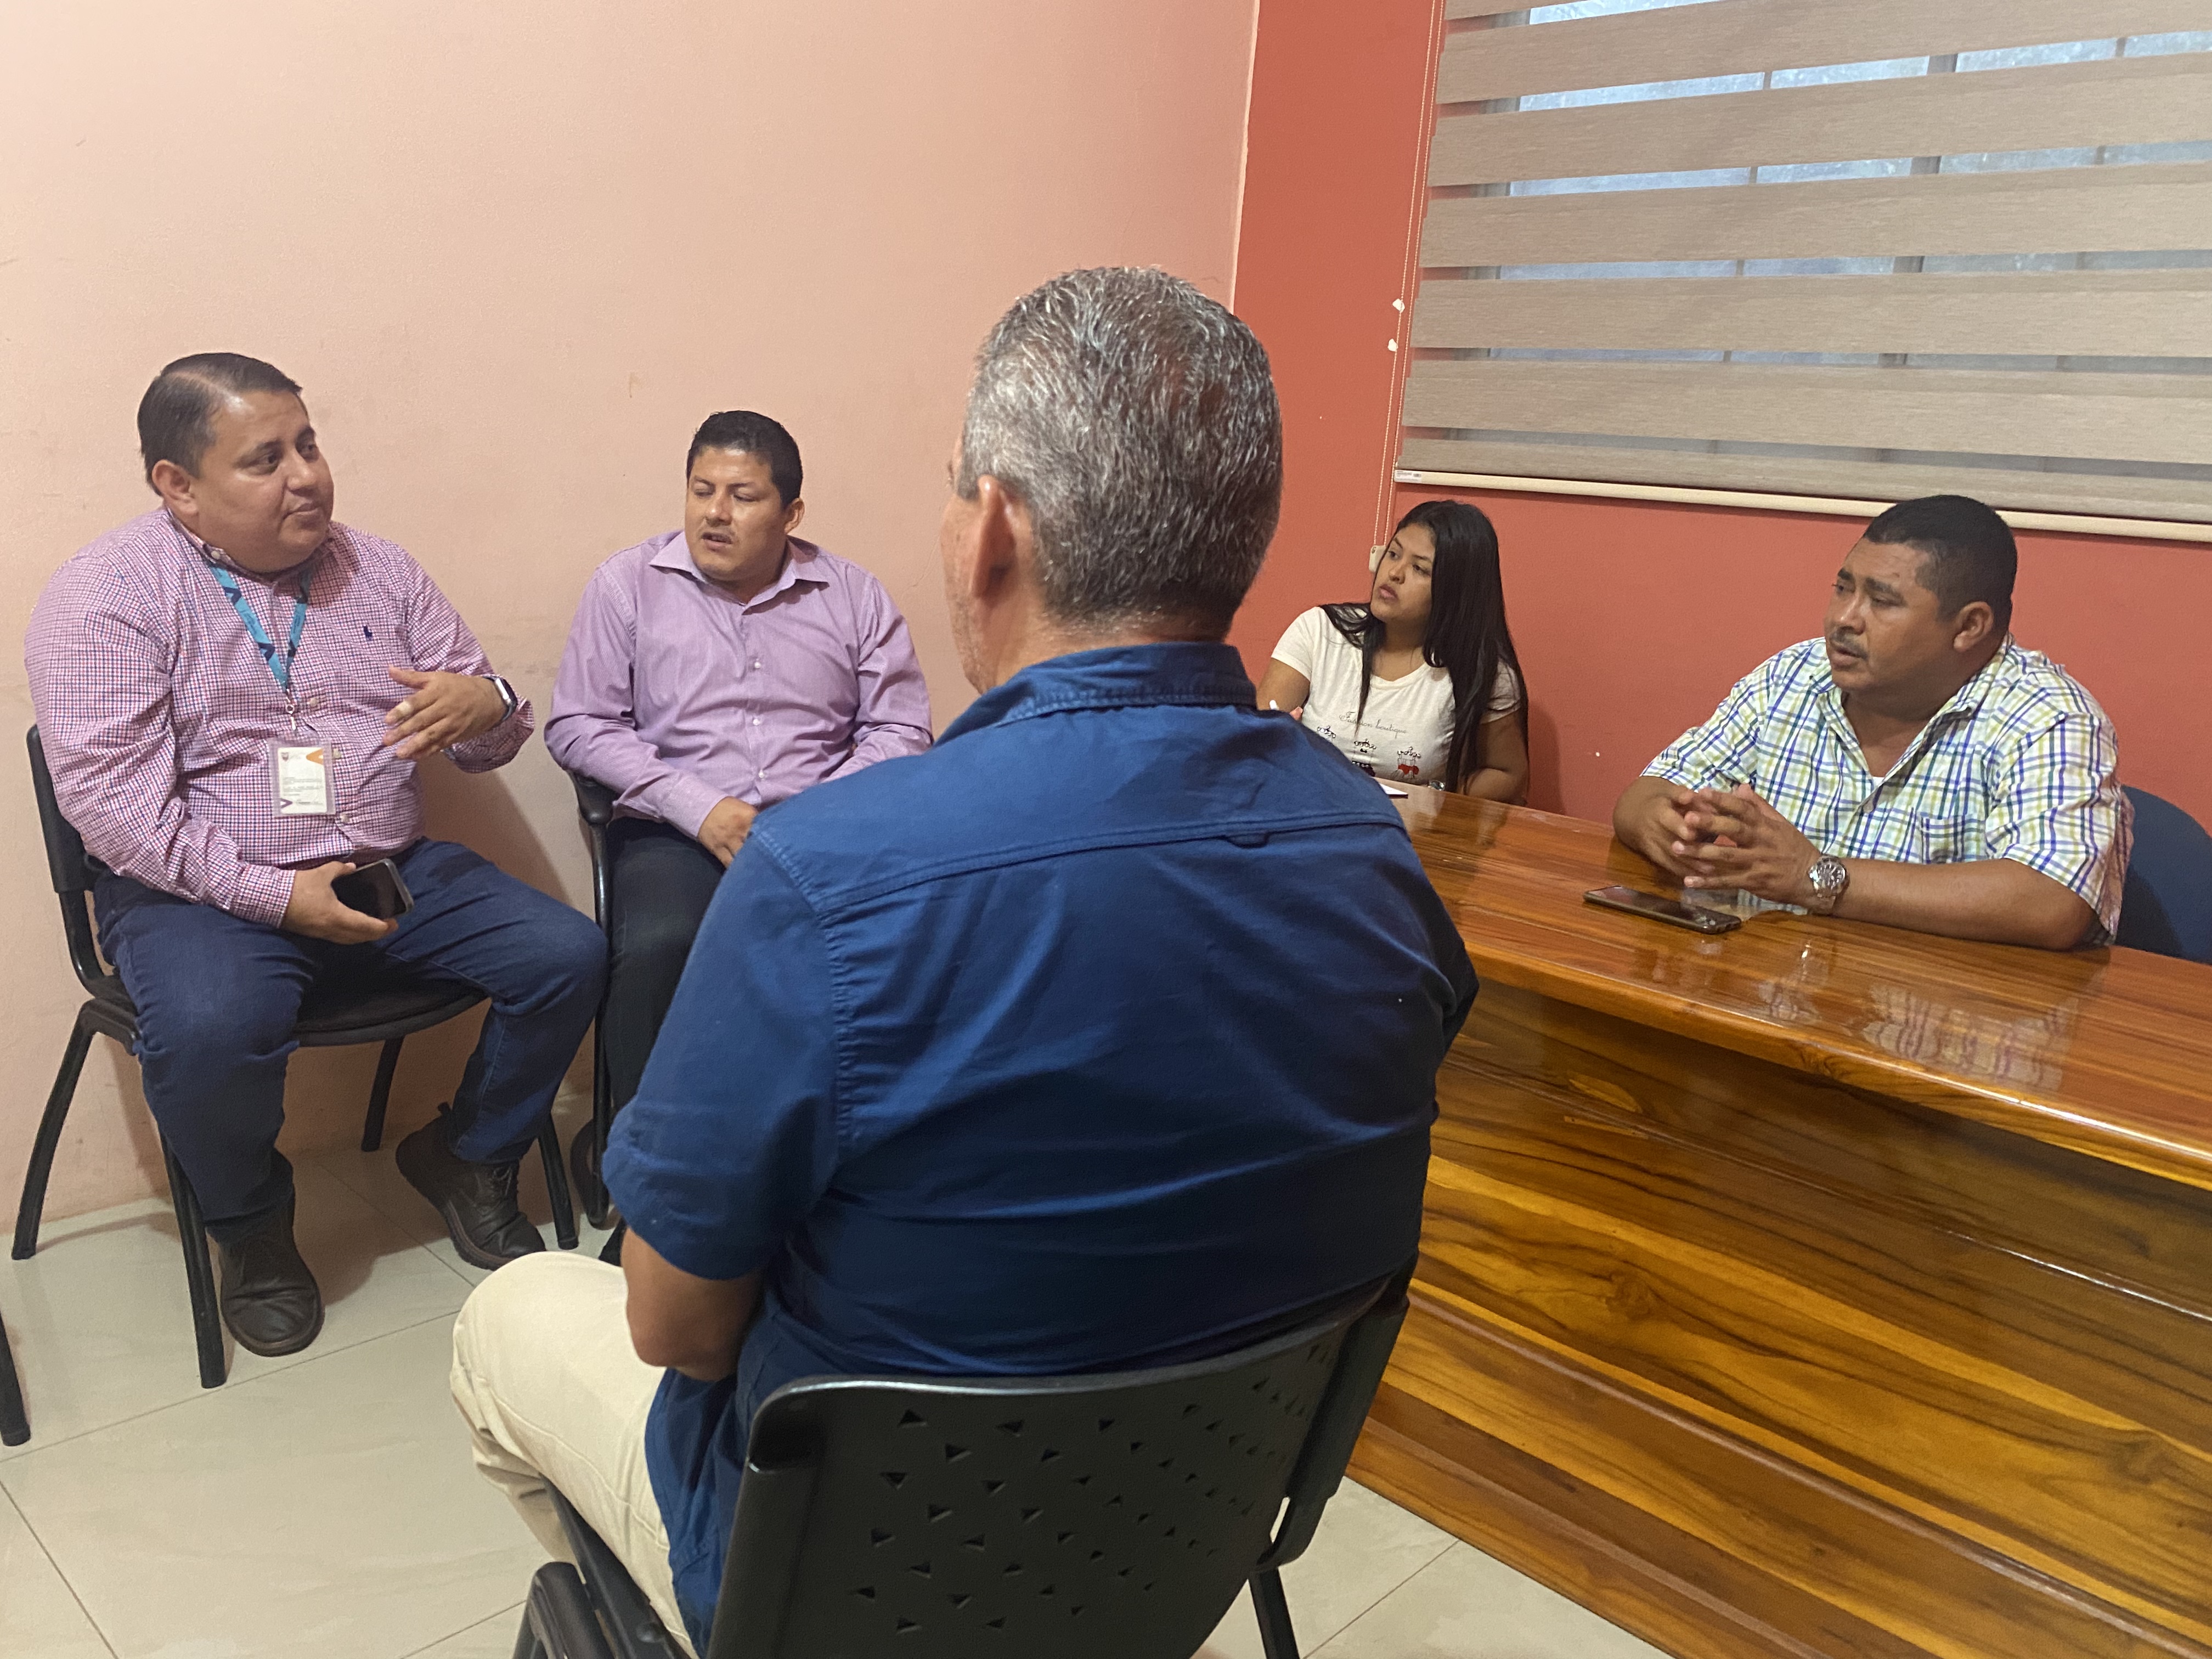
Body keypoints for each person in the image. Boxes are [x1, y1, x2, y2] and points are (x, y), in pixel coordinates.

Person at [449, 268, 1479, 1653]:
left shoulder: (826, 879)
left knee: (511, 1314)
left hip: (850, 1580)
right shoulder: (1375, 854)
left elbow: (677, 1329)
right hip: (1184, 1541)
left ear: (993, 529)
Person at [24, 353, 606, 1358]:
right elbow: (115, 812)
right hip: (196, 893)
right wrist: (274, 896)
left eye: (309, 445)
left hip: (388, 868)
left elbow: (485, 734)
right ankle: (251, 1228)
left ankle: (467, 1153)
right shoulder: (106, 595)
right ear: (178, 485)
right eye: (266, 459)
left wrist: (493, 704)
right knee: (211, 1025)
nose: (306, 476)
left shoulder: (379, 568)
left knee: (568, 954)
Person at [544, 410, 930, 1176]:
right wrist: (699, 808)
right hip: (678, 830)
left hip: (822, 828)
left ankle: (833, 1153)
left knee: (899, 939)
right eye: (702, 491)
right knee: (662, 943)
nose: (715, 513)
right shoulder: (628, 586)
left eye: (743, 496)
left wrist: (818, 812)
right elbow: (579, 725)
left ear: (791, 514)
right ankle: (646, 1156)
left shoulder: (852, 596)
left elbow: (901, 728)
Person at [1612, 494, 2128, 950]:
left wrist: (1814, 877)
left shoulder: (2049, 719)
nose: (1844, 618)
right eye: (1843, 589)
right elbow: (1645, 793)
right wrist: (1665, 827)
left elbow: (2051, 903)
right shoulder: (1794, 676)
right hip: (1764, 991)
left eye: (1881, 601)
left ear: (1969, 626)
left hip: (1937, 1015)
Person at [1255, 500, 1528, 799]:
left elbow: (1509, 774)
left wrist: (1435, 800)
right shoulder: (1320, 631)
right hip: (1311, 812)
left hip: (1411, 826)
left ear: (1456, 591)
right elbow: (1259, 736)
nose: (1395, 573)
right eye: (1394, 554)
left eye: (1420, 569)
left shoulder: (1482, 670)